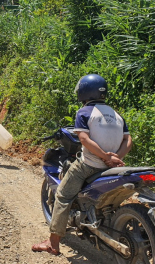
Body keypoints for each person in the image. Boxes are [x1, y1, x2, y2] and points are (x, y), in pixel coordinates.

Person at [32, 74, 133, 255]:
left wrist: (103, 156)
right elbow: (128, 139)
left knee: (63, 195)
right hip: (112, 167)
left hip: (89, 165)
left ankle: (53, 243)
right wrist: (115, 157)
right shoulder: (116, 114)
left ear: (84, 92)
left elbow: (84, 139)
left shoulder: (84, 112)